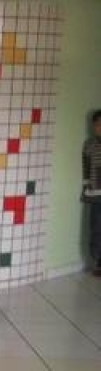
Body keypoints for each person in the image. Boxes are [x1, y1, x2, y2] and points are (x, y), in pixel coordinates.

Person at [82, 109, 101, 276]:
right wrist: (85, 191)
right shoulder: (89, 144)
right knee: (96, 228)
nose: (100, 127)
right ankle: (98, 263)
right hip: (95, 195)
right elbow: (86, 170)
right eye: (97, 124)